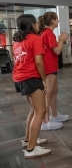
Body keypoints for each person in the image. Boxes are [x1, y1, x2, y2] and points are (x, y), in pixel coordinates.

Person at [13, 14, 51, 158]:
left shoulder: (17, 40)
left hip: (19, 78)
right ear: (32, 24)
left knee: (34, 110)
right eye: (36, 23)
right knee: (40, 111)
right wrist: (43, 80)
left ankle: (29, 139)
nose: (37, 25)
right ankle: (31, 149)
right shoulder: (35, 39)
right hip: (31, 78)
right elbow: (39, 62)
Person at [39, 13, 69, 131]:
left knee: (54, 91)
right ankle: (45, 121)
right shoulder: (48, 33)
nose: (58, 20)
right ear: (52, 21)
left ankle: (54, 115)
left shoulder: (47, 33)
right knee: (49, 93)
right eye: (57, 19)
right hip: (49, 66)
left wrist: (60, 41)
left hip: (52, 66)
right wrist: (61, 40)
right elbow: (57, 51)